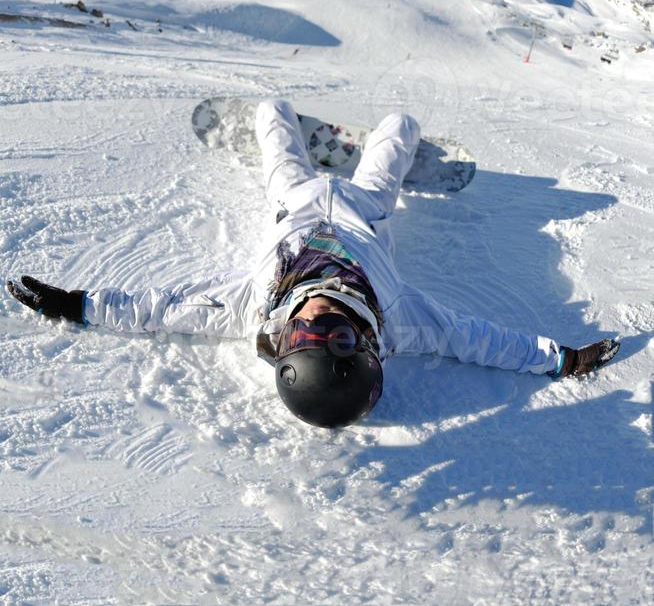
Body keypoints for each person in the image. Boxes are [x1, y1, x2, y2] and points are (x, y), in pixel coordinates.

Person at [6, 98, 620, 428]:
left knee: (270, 109)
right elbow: (483, 341)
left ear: (286, 341)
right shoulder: (404, 318)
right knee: (400, 121)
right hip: (367, 208)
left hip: (294, 204)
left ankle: (290, 126)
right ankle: (396, 148)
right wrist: (561, 359)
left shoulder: (251, 307)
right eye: (342, 334)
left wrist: (77, 304)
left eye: (308, 333)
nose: (323, 317)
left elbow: (159, 308)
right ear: (370, 344)